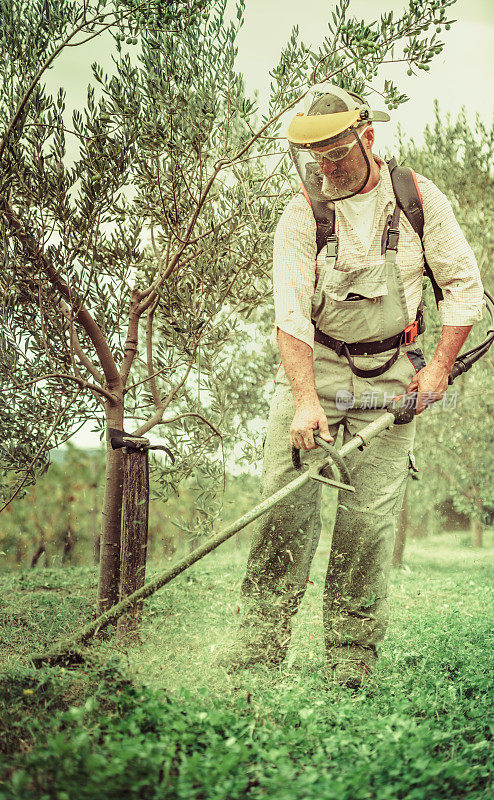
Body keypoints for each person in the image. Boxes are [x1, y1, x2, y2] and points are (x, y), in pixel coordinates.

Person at [219, 83, 484, 688]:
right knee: (286, 511)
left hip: (394, 373)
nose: (328, 168)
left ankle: (349, 663)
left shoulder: (418, 200)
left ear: (367, 138)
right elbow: (289, 316)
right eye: (317, 158)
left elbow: (464, 288)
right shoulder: (301, 214)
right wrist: (306, 401)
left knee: (366, 526)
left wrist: (438, 367)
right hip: (315, 369)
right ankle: (257, 656)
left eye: (338, 153)